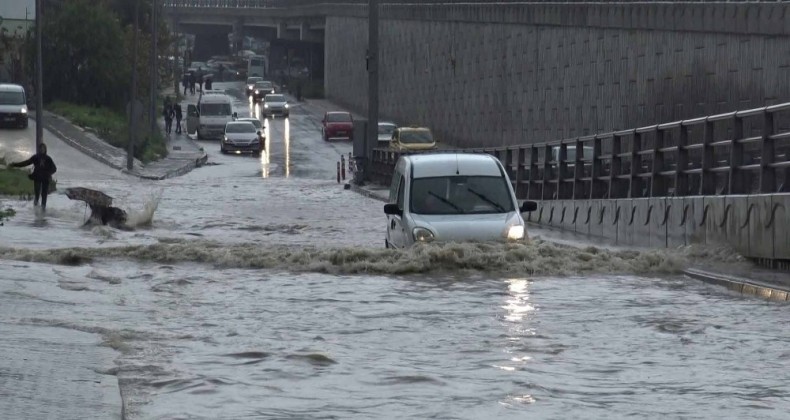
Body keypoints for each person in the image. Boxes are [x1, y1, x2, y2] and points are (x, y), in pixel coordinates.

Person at [10, 143, 57, 211]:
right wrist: (15, 164)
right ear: (39, 149)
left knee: (44, 194)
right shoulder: (36, 157)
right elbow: (26, 163)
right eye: (41, 148)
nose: (42, 150)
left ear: (45, 149)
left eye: (43, 148)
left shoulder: (48, 159)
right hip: (37, 177)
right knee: (37, 193)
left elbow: (54, 169)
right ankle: (35, 209)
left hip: (45, 178)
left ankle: (43, 209)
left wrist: (48, 173)